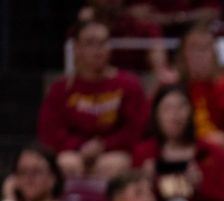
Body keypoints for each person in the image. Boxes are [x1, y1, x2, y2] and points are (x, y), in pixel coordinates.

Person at [37, 20, 148, 180]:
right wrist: (80, 147)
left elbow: (136, 128)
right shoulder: (61, 89)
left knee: (110, 165)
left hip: (115, 152)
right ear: (77, 48)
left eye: (103, 43)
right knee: (66, 163)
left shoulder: (129, 84)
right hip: (74, 153)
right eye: (90, 43)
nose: (98, 50)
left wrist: (104, 145)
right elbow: (50, 132)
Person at [132, 84, 224, 201]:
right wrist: (146, 186)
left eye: (181, 107)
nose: (175, 115)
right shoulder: (144, 154)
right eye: (167, 109)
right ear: (156, 115)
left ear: (192, 112)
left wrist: (200, 188)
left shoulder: (213, 153)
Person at [153, 23, 224, 167]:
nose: (199, 55)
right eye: (193, 49)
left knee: (220, 141)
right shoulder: (173, 86)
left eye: (204, 49)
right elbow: (155, 124)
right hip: (179, 144)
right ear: (183, 55)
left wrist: (214, 87)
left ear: (214, 53)